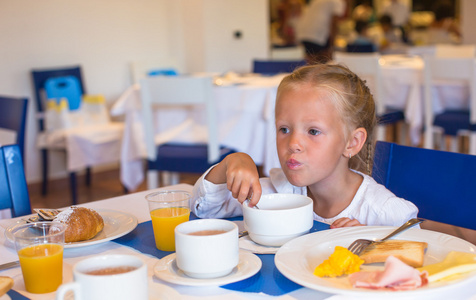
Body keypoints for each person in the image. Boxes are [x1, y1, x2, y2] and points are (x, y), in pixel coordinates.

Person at [190, 63, 418, 228]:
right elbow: (206, 208)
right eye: (284, 129)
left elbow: (417, 256)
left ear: (352, 142)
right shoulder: (279, 192)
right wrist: (232, 161)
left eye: (313, 131)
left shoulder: (382, 212)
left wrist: (374, 247)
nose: (294, 144)